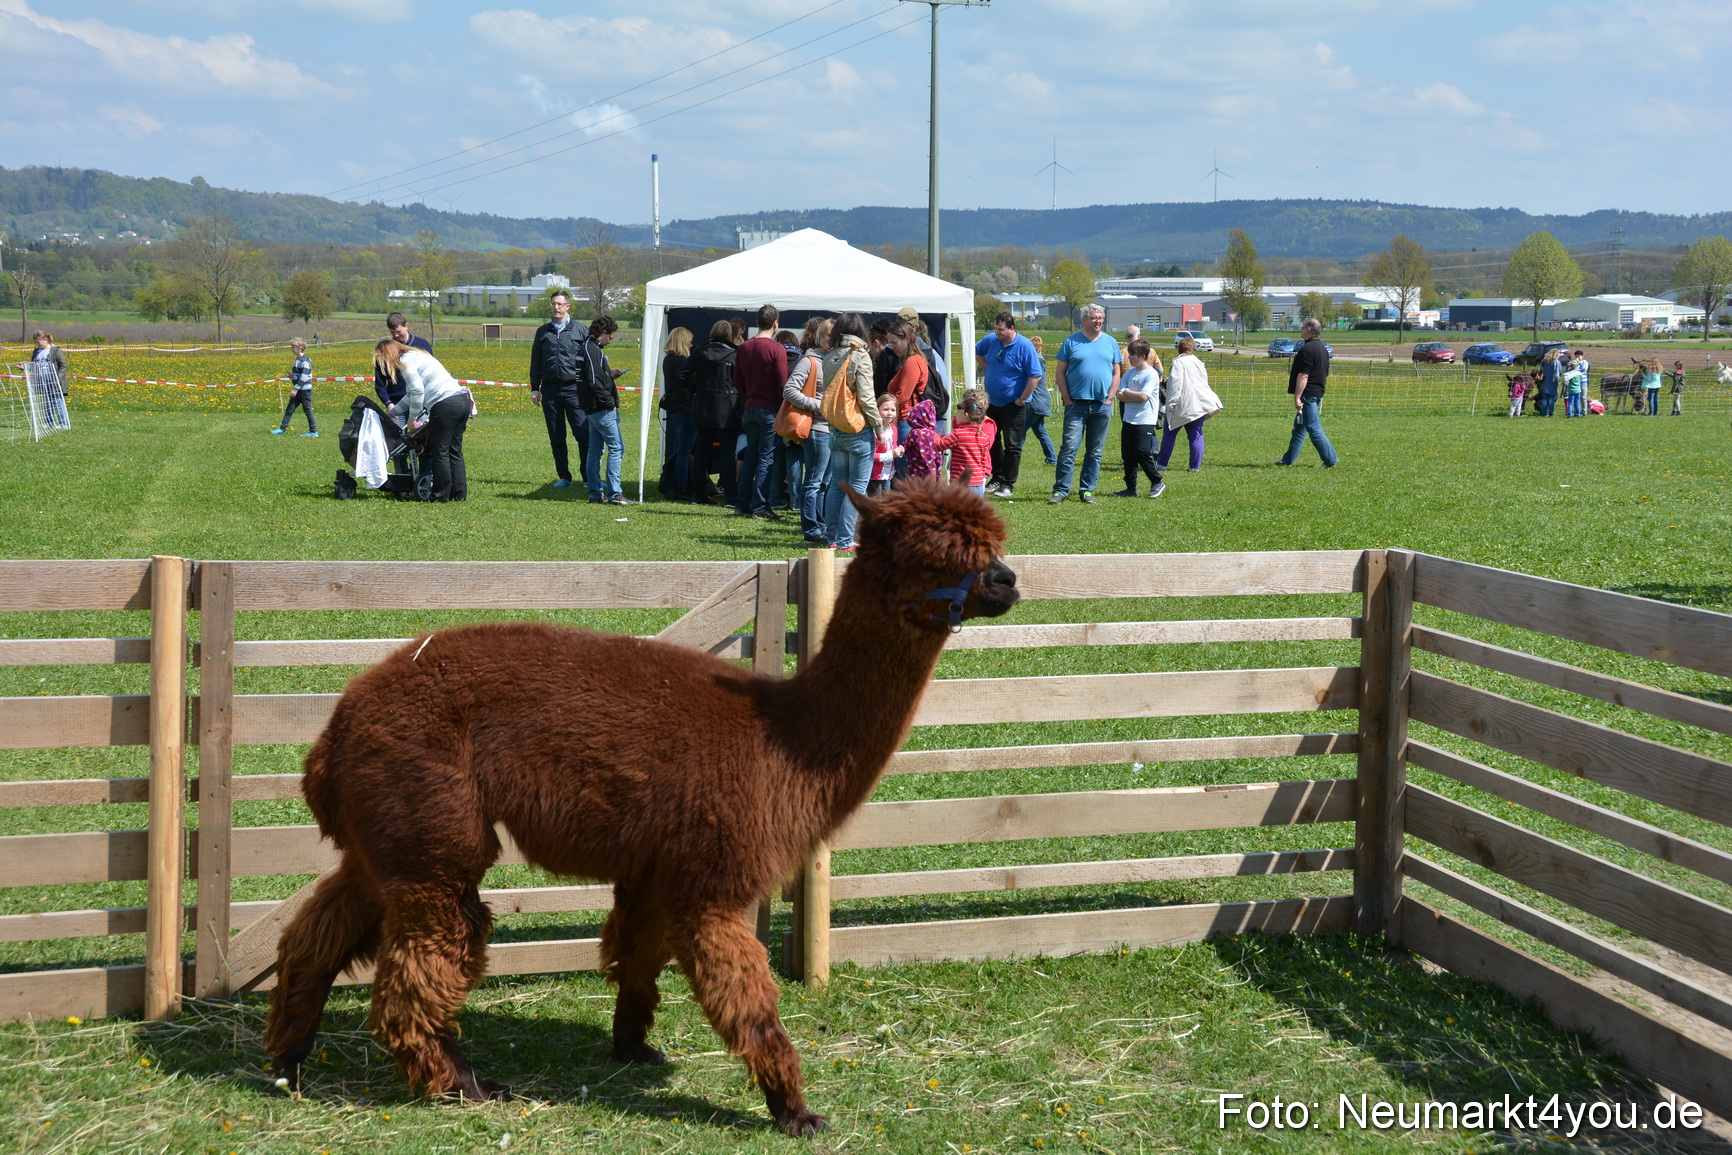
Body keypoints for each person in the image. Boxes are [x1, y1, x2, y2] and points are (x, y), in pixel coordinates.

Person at [374, 339, 469, 502]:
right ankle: (458, 493)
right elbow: (411, 395)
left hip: (444, 404)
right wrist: (392, 413)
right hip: (461, 400)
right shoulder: (417, 355)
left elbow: (418, 392)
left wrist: (412, 419)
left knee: (440, 451)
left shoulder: (405, 362)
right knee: (454, 450)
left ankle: (439, 495)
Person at [1049, 303, 1121, 504]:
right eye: (1094, 318)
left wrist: (1110, 397)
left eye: (1100, 318)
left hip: (1101, 405)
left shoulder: (1110, 342)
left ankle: (1087, 490)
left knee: (1095, 451)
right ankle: (1061, 490)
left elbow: (1117, 372)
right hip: (1076, 405)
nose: (1098, 321)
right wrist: (1067, 399)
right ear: (1084, 320)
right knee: (1069, 448)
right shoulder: (1071, 342)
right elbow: (1060, 373)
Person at [820, 312, 880, 552]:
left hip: (835, 427)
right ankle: (845, 540)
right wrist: (879, 426)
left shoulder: (830, 355)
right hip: (858, 429)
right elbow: (866, 398)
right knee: (856, 487)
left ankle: (832, 537)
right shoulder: (860, 356)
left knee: (837, 485)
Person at [974, 312, 1043, 498]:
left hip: (1015, 404)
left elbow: (1035, 375)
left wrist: (1021, 399)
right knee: (991, 441)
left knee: (1012, 445)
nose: (997, 333)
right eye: (995, 329)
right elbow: (978, 352)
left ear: (1012, 328)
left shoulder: (1025, 346)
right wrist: (988, 366)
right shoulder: (990, 340)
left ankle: (1008, 483)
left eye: (1001, 330)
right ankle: (997, 476)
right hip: (992, 402)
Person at [527, 289, 590, 489]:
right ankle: (564, 477)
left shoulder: (581, 330)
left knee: (583, 435)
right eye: (554, 304)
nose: (556, 307)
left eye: (560, 304)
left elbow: (590, 360)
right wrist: (535, 389)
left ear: (568, 306)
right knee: (557, 436)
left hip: (575, 390)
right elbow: (535, 362)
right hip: (550, 391)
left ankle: (588, 478)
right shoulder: (542, 332)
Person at [730, 304, 788, 519]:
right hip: (769, 409)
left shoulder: (744, 347)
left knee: (751, 457)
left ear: (756, 322)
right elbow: (783, 384)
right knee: (766, 458)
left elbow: (738, 381)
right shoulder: (776, 349)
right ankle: (761, 507)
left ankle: (742, 504)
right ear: (775, 324)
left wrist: (750, 398)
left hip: (750, 406)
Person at [783, 318, 832, 543]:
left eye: (836, 335)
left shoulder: (836, 360)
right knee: (814, 480)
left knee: (824, 482)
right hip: (816, 428)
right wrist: (817, 405)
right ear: (820, 336)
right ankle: (811, 530)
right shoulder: (810, 361)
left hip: (833, 429)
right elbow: (789, 390)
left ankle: (819, 526)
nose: (832, 339)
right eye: (829, 335)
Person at [579, 315, 634, 506]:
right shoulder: (593, 350)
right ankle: (615, 494)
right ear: (603, 333)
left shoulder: (587, 347)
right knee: (617, 449)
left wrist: (609, 376)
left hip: (592, 409)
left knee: (595, 450)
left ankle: (595, 494)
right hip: (601, 409)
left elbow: (594, 377)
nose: (611, 340)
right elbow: (593, 382)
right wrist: (608, 402)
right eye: (610, 336)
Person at [689, 320, 742, 506]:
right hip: (728, 409)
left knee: (701, 454)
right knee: (728, 455)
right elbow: (741, 381)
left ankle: (698, 496)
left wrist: (701, 387)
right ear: (729, 335)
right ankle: (732, 497)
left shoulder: (699, 352)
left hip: (704, 408)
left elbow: (682, 374)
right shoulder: (735, 354)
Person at [1277, 318, 1338, 468]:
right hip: (1316, 393)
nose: (1301, 329)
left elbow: (1304, 375)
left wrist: (1298, 397)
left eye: (1303, 327)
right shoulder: (1322, 349)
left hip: (1308, 395)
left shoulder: (1307, 350)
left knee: (1313, 428)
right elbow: (1326, 373)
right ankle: (1287, 460)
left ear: (1309, 330)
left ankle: (1330, 460)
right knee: (1299, 429)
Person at [1160, 337, 1222, 470]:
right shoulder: (1199, 362)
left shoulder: (1178, 362)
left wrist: (1171, 403)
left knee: (1169, 433)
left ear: (1179, 349)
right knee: (1196, 434)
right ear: (1192, 348)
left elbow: (1176, 384)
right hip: (1198, 405)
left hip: (1182, 404)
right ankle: (1195, 466)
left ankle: (1162, 464)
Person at [1113, 339, 1165, 498]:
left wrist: (1128, 392)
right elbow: (1119, 395)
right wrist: (1130, 394)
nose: (1128, 358)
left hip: (1145, 420)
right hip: (1129, 419)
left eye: (1132, 355)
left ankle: (1157, 481)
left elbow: (1144, 396)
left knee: (1142, 452)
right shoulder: (1129, 373)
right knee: (1127, 455)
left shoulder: (1151, 374)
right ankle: (1131, 488)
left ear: (1142, 355)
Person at [658, 327, 697, 499]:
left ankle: (672, 482)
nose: (691, 344)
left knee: (678, 449)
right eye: (689, 341)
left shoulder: (668, 359)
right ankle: (682, 486)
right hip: (686, 408)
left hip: (674, 408)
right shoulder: (683, 362)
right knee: (684, 451)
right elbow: (694, 382)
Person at [935, 389, 995, 496]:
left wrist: (935, 436)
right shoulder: (982, 436)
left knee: (959, 509)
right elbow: (983, 455)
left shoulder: (959, 433)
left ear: (966, 415)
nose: (956, 415)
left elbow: (940, 445)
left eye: (959, 412)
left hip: (961, 480)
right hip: (977, 479)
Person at [375, 311, 431, 408]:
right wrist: (388, 403)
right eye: (392, 332)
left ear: (406, 326)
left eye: (398, 331)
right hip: (396, 403)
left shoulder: (423, 345)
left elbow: (430, 373)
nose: (396, 335)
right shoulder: (386, 350)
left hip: (421, 402)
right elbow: (380, 382)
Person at [273, 337, 318, 436]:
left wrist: (295, 389)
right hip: (299, 390)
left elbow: (304, 377)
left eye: (293, 347)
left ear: (300, 348)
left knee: (308, 410)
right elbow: (299, 375)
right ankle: (282, 429)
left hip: (304, 391)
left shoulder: (304, 361)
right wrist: (292, 376)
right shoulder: (298, 359)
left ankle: (313, 431)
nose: (292, 349)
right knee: (289, 409)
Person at [29, 329, 70, 429]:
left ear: (46, 340)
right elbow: (33, 365)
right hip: (42, 380)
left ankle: (63, 423)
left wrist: (57, 379)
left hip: (54, 380)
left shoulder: (55, 350)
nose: (37, 344)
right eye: (35, 342)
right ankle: (49, 422)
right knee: (46, 402)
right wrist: (25, 367)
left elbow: (63, 366)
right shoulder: (36, 351)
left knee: (58, 401)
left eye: (38, 342)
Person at [1025, 334, 1056, 464]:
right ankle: (1052, 458)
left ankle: (1011, 458)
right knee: (1040, 431)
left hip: (1036, 400)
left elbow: (1034, 379)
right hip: (1040, 400)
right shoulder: (1038, 358)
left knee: (1020, 430)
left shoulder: (1037, 360)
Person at [901, 398, 943, 480]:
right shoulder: (934, 435)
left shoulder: (915, 433)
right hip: (931, 473)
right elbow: (938, 456)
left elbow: (905, 448)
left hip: (915, 473)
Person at [868, 394, 901, 496]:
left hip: (887, 474)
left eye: (893, 410)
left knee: (885, 503)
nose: (889, 413)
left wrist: (899, 451)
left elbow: (893, 449)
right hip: (874, 475)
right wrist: (891, 455)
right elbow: (870, 455)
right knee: (876, 505)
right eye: (886, 409)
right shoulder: (874, 431)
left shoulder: (893, 429)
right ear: (877, 410)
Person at [1537, 348, 1562, 418]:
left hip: (1545, 381)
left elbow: (1541, 370)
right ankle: (1551, 413)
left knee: (1545, 398)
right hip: (1553, 382)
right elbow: (1558, 373)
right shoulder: (1556, 362)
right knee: (1551, 399)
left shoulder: (1544, 361)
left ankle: (1544, 412)